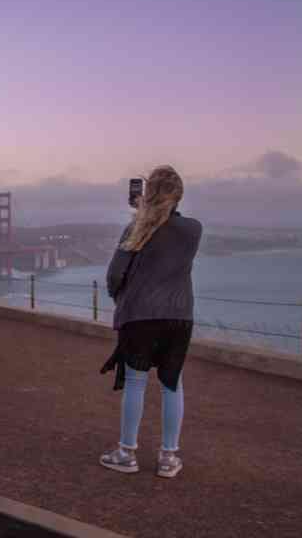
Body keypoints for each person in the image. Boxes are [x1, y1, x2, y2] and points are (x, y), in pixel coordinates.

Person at [99, 165, 202, 478]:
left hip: (140, 316)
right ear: (179, 195)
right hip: (179, 317)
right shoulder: (194, 229)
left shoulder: (136, 228)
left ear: (148, 193)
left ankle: (126, 453)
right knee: (172, 383)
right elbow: (170, 234)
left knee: (136, 382)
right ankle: (168, 458)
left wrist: (120, 298)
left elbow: (115, 274)